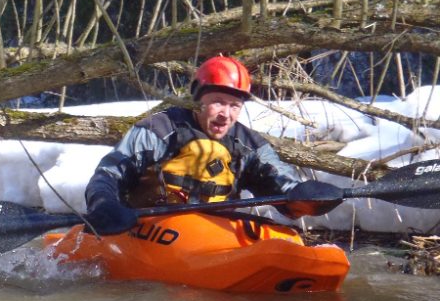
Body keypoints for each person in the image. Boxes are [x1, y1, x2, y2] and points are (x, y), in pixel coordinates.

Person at [84, 55, 342, 235]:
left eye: (234, 106)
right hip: (150, 227)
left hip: (217, 232)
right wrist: (104, 203)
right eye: (218, 101)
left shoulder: (250, 145)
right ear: (199, 100)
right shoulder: (157, 130)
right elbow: (108, 174)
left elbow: (283, 185)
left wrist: (308, 198)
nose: (225, 114)